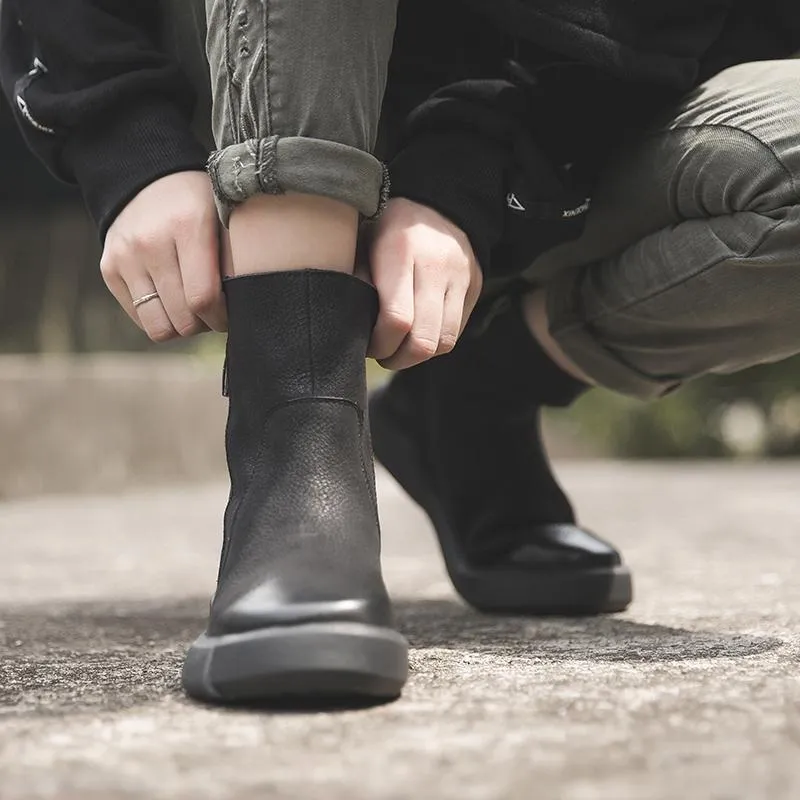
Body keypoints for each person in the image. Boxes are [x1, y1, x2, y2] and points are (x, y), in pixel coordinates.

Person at [2, 0, 799, 706]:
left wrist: (465, 177)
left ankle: (467, 405)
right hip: (235, 64)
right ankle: (295, 431)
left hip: (550, 117)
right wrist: (123, 134)